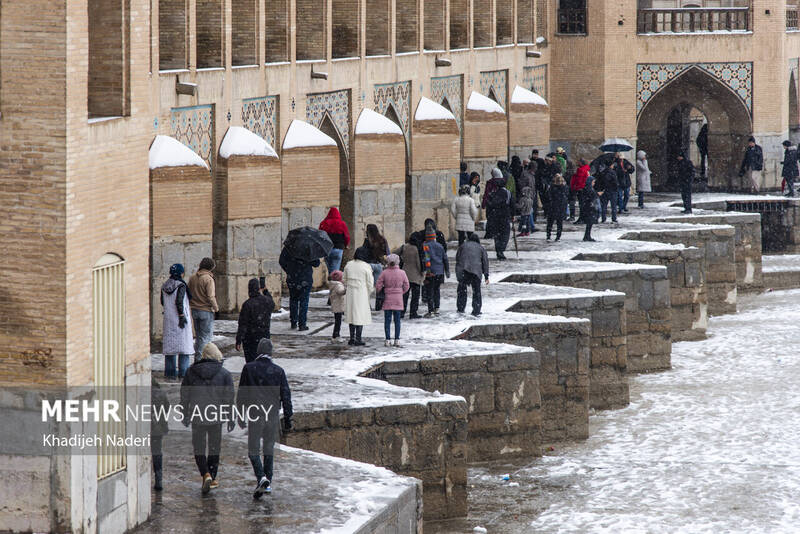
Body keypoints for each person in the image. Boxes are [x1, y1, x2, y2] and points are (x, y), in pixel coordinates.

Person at [236, 338, 293, 499]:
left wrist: (240, 414)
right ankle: (267, 482)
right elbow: (286, 395)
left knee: (253, 450)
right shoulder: (278, 371)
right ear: (271, 353)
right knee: (269, 449)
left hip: (255, 414)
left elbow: (242, 394)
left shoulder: (249, 368)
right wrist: (288, 417)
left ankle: (261, 477)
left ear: (258, 352)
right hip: (272, 414)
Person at [180, 342, 234, 494]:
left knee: (199, 447)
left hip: (197, 414)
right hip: (216, 416)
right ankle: (212, 476)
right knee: (214, 447)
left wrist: (184, 414)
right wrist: (231, 417)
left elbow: (185, 395)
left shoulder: (191, 372)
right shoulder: (224, 374)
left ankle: (205, 474)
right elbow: (229, 398)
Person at [161, 263, 194, 380]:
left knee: (170, 348)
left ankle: (170, 373)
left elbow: (162, 302)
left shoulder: (165, 285)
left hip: (169, 319)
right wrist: (181, 315)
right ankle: (183, 373)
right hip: (180, 319)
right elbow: (179, 301)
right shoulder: (181, 285)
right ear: (181, 273)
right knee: (184, 347)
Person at [279, 245, 320, 331]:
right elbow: (316, 263)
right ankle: (302, 324)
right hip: (305, 278)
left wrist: (289, 270)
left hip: (292, 278)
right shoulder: (309, 247)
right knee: (304, 301)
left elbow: (281, 261)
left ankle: (293, 322)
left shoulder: (289, 247)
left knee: (293, 299)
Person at [235, 278, 275, 362]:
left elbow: (242, 324)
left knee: (251, 360)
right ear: (259, 288)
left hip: (250, 338)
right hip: (264, 335)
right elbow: (271, 301)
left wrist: (239, 340)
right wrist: (265, 290)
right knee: (263, 360)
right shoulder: (267, 301)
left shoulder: (247, 304)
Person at [188, 257, 218, 361]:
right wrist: (216, 308)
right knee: (206, 338)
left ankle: (197, 357)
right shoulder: (208, 279)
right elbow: (211, 297)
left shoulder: (192, 278)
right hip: (205, 310)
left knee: (199, 337)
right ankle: (202, 359)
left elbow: (189, 293)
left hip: (194, 309)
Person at [375, 254, 410, 346]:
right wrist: (401, 292)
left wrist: (381, 291)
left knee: (387, 320)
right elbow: (407, 285)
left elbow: (378, 285)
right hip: (398, 299)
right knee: (397, 320)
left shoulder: (384, 272)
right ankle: (397, 339)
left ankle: (387, 339)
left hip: (387, 298)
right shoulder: (402, 273)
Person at [343, 246, 374, 346]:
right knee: (360, 315)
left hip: (350, 292)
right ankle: (358, 338)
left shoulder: (349, 265)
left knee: (351, 315)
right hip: (361, 292)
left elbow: (344, 279)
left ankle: (352, 338)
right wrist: (368, 292)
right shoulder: (366, 266)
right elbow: (370, 283)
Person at [455, 234, 489, 316]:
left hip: (463, 270)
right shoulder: (481, 248)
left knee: (462, 290)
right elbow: (485, 262)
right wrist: (486, 276)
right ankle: (476, 310)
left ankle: (461, 308)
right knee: (476, 291)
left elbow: (457, 258)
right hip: (476, 271)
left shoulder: (463, 246)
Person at [485, 170, 512, 260]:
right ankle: (501, 249)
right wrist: (512, 215)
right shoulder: (508, 193)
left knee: (497, 235)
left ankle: (498, 250)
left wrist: (489, 215)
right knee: (505, 234)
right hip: (504, 216)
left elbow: (489, 204)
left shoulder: (492, 193)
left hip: (495, 217)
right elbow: (512, 204)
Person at [422, 225, 449, 317]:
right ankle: (437, 308)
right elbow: (445, 259)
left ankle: (430, 310)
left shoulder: (426, 246)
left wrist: (428, 271)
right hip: (440, 272)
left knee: (430, 291)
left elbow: (427, 259)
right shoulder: (440, 246)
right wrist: (447, 270)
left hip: (431, 272)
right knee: (437, 290)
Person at [395, 236, 424, 319]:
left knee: (404, 295)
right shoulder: (417, 248)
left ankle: (401, 312)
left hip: (405, 274)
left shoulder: (404, 247)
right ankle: (413, 313)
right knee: (415, 296)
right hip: (416, 276)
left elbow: (394, 254)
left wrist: (401, 261)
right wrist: (422, 273)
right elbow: (418, 263)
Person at [150, 376, 169, 491]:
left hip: (143, 427)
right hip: (157, 428)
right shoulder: (161, 393)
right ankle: (158, 478)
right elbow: (166, 408)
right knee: (157, 452)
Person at [318, 207, 350, 273]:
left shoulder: (323, 223)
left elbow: (320, 236)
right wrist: (346, 245)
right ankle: (333, 278)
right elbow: (347, 236)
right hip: (338, 249)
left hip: (327, 249)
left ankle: (330, 278)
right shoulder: (342, 224)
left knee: (329, 269)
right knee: (335, 271)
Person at [362, 223, 390, 289]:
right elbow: (388, 253)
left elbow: (363, 253)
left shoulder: (367, 241)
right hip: (379, 264)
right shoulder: (382, 239)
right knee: (377, 286)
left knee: (368, 286)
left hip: (368, 265)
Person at [546, 174, 569, 242]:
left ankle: (549, 236)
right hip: (560, 208)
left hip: (553, 207)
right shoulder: (564, 188)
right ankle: (558, 237)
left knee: (550, 223)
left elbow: (548, 196)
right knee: (559, 223)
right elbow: (566, 197)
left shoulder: (552, 187)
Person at [519, 160, 538, 232]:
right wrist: (526, 194)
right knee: (528, 211)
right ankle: (531, 226)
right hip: (527, 196)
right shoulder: (525, 174)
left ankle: (526, 226)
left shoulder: (532, 175)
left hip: (531, 195)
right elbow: (522, 185)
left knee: (529, 211)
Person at [328, 270, 346, 341]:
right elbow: (340, 292)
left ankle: (335, 335)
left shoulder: (333, 284)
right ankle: (336, 336)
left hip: (336, 305)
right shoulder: (338, 285)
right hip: (338, 306)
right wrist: (345, 290)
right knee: (338, 322)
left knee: (337, 321)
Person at [581, 176, 600, 242]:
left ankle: (587, 236)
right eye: (593, 182)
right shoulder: (588, 189)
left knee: (590, 223)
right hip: (589, 208)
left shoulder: (588, 188)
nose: (594, 183)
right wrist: (597, 194)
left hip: (589, 207)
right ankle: (587, 236)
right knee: (589, 223)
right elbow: (590, 197)